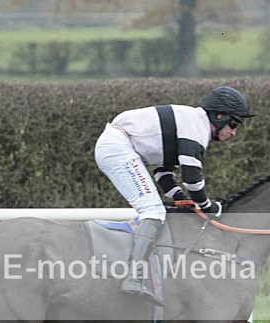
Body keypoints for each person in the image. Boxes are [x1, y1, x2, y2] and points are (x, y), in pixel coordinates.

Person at [94, 86, 255, 306]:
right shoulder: (196, 128)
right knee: (153, 210)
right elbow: (192, 178)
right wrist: (208, 207)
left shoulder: (190, 122)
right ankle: (133, 277)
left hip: (116, 145)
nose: (234, 132)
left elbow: (163, 172)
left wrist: (179, 197)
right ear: (219, 117)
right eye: (234, 124)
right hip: (117, 147)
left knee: (157, 209)